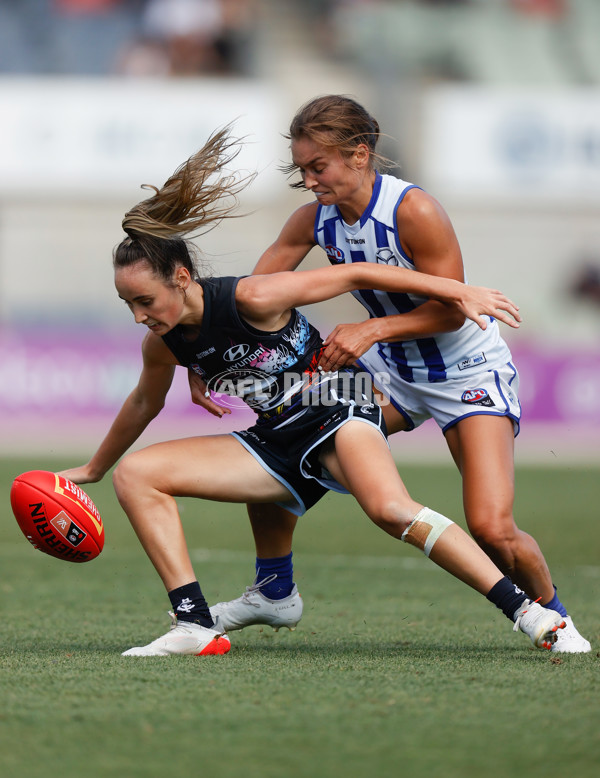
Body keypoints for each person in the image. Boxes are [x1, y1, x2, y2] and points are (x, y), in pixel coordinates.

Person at [58, 125, 566, 658]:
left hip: (378, 394)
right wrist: (97, 467)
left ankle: (536, 613)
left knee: (419, 515)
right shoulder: (166, 340)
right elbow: (145, 399)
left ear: (181, 277)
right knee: (147, 473)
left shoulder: (279, 283)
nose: (139, 316)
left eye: (144, 301)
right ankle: (212, 618)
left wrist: (456, 291)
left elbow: (356, 276)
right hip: (307, 417)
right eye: (128, 306)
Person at [195, 95, 591, 654]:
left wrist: (369, 331)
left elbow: (455, 307)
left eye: (318, 166)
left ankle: (554, 616)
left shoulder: (415, 211)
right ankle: (273, 588)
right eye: (301, 169)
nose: (309, 181)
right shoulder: (312, 219)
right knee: (283, 437)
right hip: (392, 374)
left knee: (492, 528)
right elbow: (253, 296)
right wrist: (205, 351)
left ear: (360, 155)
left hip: (465, 369)